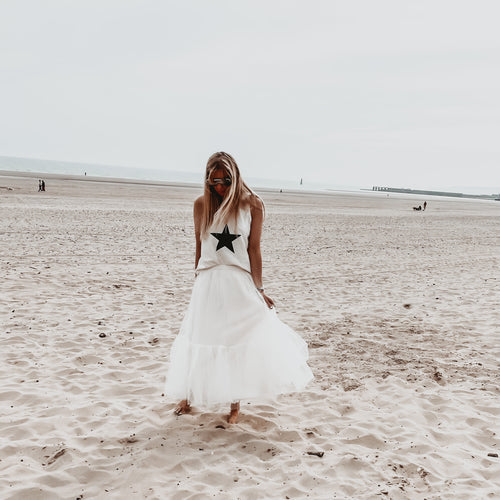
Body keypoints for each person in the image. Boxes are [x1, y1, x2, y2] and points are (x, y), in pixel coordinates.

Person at [164, 152, 313, 424]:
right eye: (214, 181)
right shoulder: (201, 205)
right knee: (199, 338)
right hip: (208, 281)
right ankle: (187, 398)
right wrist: (197, 282)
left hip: (237, 281)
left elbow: (254, 249)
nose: (220, 186)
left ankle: (235, 406)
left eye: (226, 180)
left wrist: (260, 289)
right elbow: (199, 248)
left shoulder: (253, 205)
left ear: (236, 176)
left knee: (236, 342)